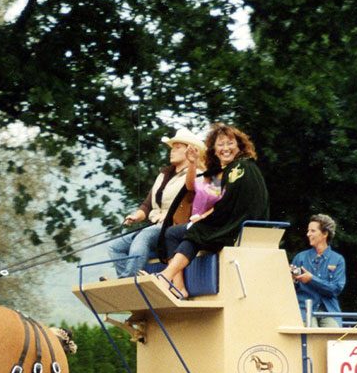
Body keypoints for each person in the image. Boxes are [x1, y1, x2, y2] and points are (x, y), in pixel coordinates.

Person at [154, 123, 269, 299]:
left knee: (195, 231)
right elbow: (194, 187)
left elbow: (228, 204)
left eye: (230, 143)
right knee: (178, 232)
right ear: (214, 150)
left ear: (239, 146)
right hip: (223, 220)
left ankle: (167, 277)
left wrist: (205, 218)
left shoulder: (239, 169)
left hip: (233, 224)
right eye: (220, 144)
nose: (225, 148)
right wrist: (193, 164)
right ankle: (175, 283)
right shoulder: (219, 173)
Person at [105, 128, 202, 278]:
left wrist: (168, 216)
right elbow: (148, 204)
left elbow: (192, 199)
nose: (172, 151)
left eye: (177, 148)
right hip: (156, 227)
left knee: (143, 236)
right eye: (172, 148)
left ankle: (129, 280)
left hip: (173, 227)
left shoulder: (195, 174)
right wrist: (136, 216)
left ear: (190, 151)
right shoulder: (164, 175)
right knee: (114, 246)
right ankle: (127, 281)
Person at [290, 214, 345, 327]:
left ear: (325, 234)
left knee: (333, 339)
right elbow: (290, 291)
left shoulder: (338, 260)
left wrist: (311, 279)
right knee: (311, 336)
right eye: (308, 230)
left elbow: (335, 289)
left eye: (313, 231)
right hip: (304, 311)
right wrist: (291, 279)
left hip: (330, 311)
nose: (308, 234)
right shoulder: (300, 257)